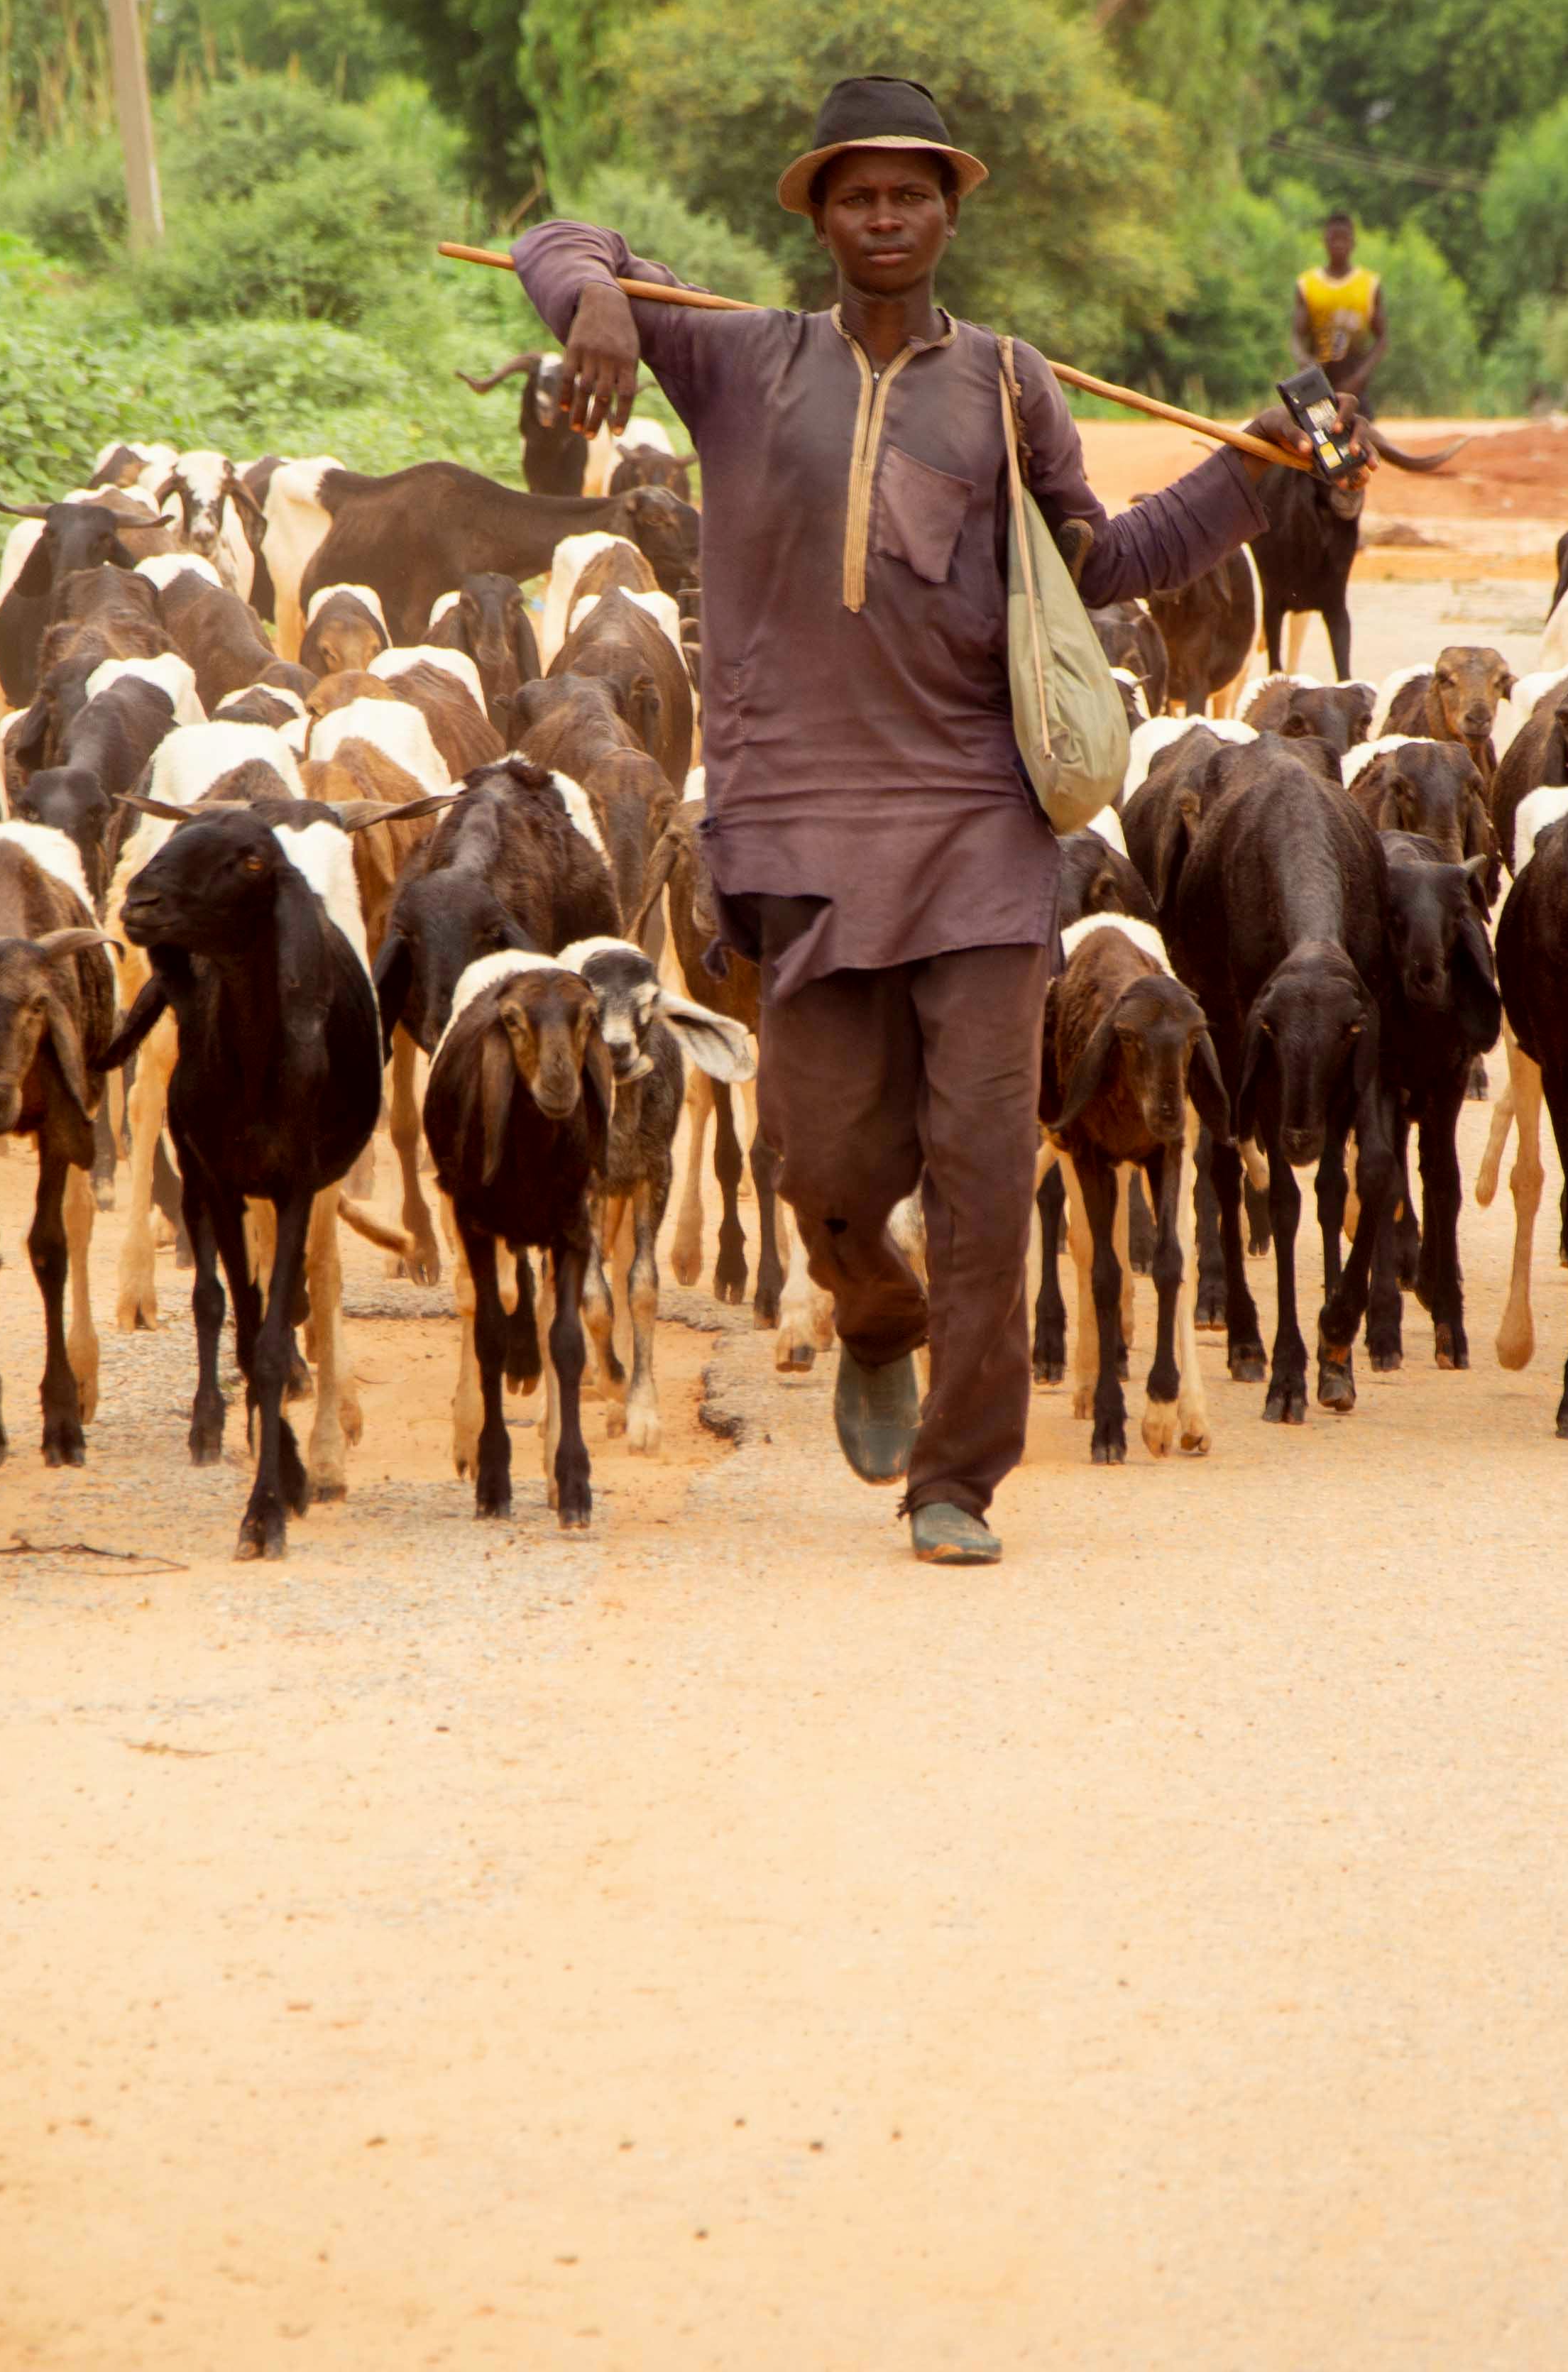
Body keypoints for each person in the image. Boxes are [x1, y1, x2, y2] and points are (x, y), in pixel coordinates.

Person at [519, 77, 1310, 1566]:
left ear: (950, 213)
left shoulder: (1010, 383)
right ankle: (876, 1317)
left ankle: (958, 1476)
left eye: (912, 194)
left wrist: (1250, 474)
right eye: (858, 195)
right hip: (797, 836)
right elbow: (555, 237)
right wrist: (601, 302)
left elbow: (1099, 562)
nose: (886, 216)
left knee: (986, 1177)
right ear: (819, 217)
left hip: (979, 834)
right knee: (819, 1169)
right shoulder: (738, 357)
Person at [1291, 209, 1386, 410]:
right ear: (1324, 241)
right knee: (1314, 428)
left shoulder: (1369, 284)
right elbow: (1296, 337)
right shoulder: (1308, 284)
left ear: (1353, 243)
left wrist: (1360, 377)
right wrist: (1304, 361)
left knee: (1359, 427)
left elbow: (1382, 339)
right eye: (1334, 239)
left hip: (1353, 381)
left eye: (1344, 239)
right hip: (1317, 381)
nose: (1339, 244)